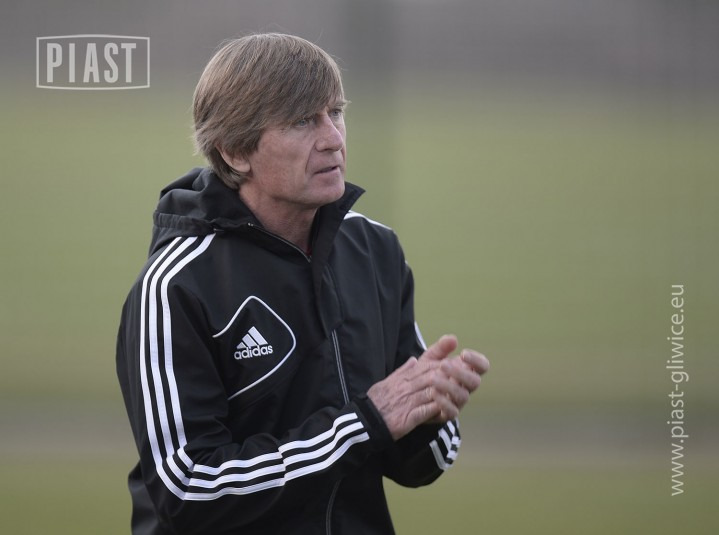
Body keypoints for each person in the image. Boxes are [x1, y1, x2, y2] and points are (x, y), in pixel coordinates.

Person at [116, 33, 489, 534]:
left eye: (335, 112)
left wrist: (429, 412)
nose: (333, 138)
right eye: (301, 121)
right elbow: (186, 489)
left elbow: (421, 464)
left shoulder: (375, 251)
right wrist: (364, 424)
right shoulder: (176, 286)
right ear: (235, 151)